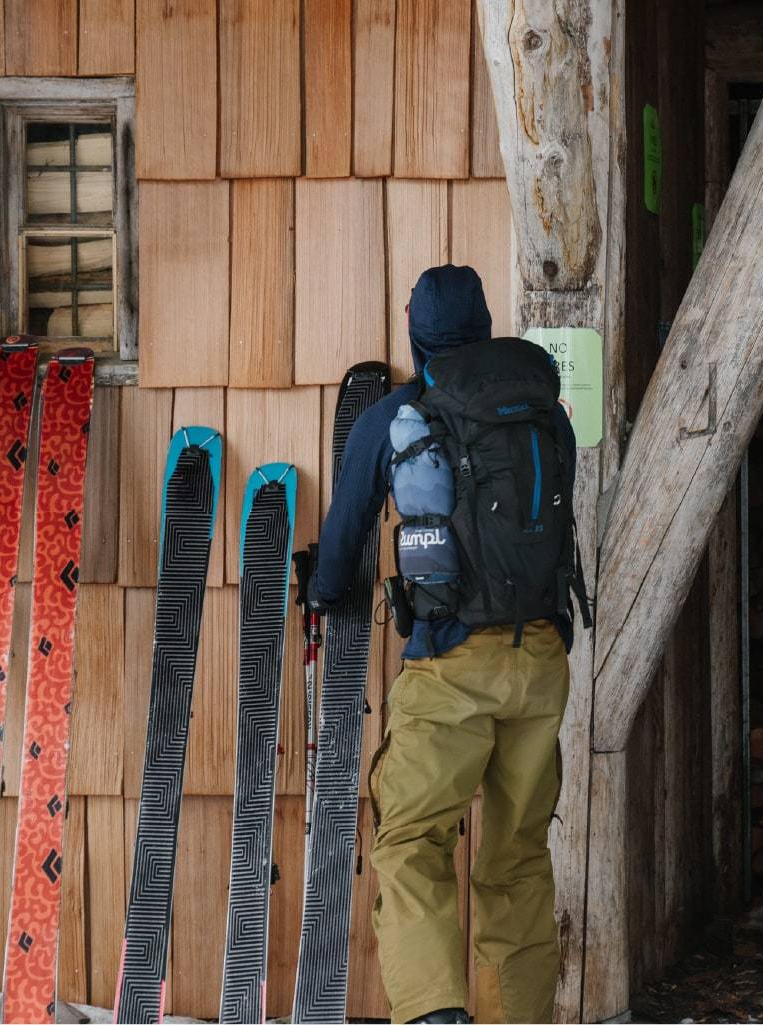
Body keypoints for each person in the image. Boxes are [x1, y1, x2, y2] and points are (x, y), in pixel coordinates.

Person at [312, 264, 578, 1025]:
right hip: (540, 662)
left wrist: (327, 593)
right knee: (518, 857)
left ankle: (434, 1012)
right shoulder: (543, 412)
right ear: (487, 322)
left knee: (411, 841)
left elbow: (346, 534)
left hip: (451, 662)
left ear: (412, 327)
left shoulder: (401, 412)